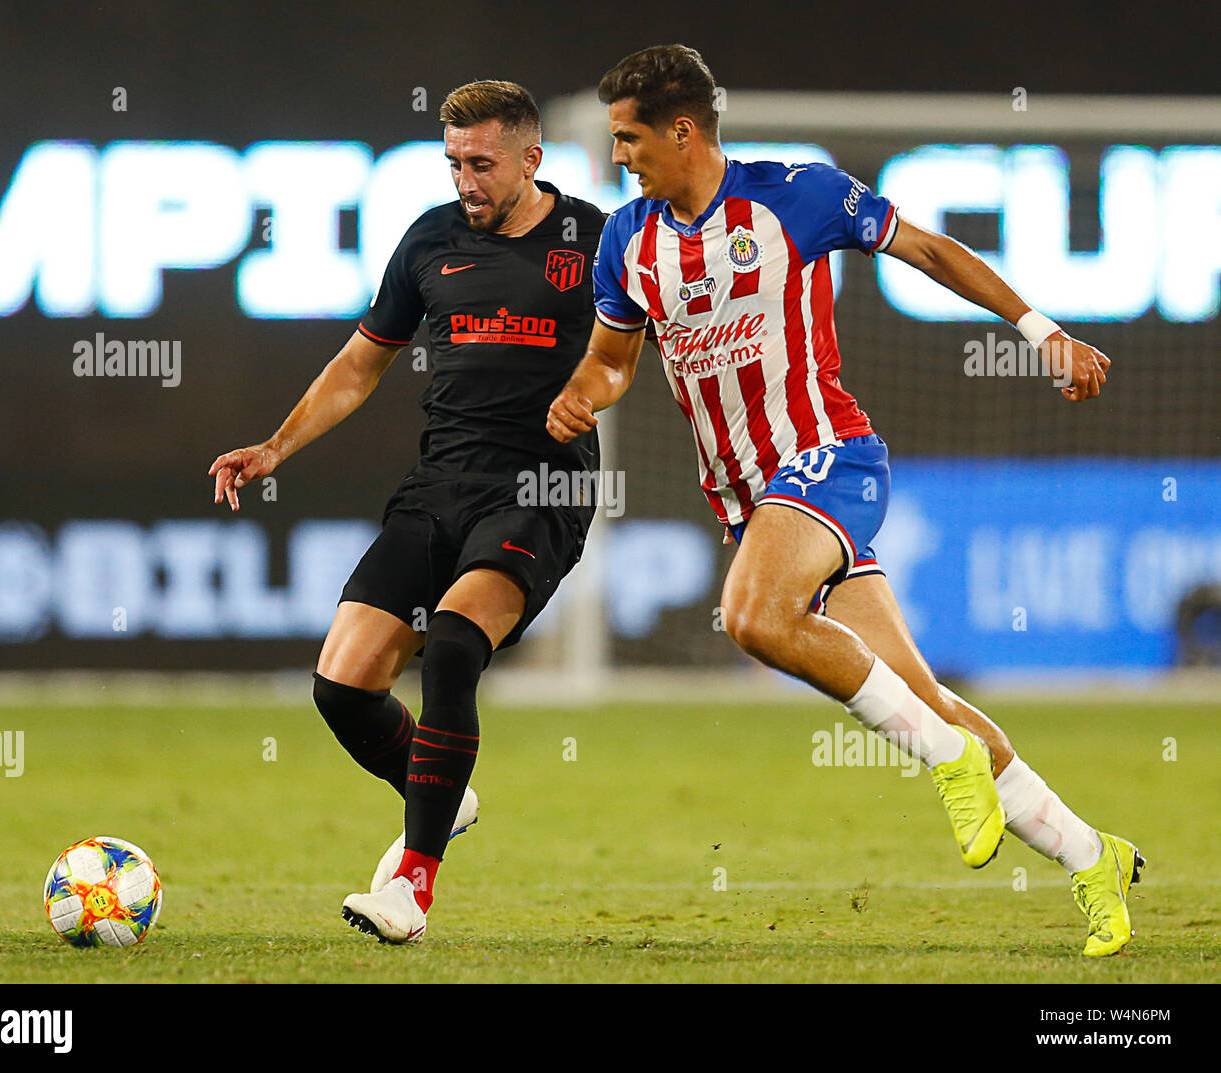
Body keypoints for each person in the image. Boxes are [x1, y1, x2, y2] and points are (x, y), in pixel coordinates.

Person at [547, 44, 1142, 957]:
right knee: (919, 693)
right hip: (756, 504)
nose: (618, 155)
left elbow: (932, 250)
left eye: (628, 137)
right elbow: (614, 360)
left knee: (750, 616)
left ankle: (950, 764)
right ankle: (1093, 856)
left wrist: (1041, 330)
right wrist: (582, 393)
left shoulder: (797, 193)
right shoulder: (628, 239)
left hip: (831, 457)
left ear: (681, 129)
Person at [210, 80, 605, 945]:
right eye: (454, 161)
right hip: (440, 484)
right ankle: (441, 793)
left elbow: (636, 347)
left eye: (483, 162)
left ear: (532, 159)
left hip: (542, 486)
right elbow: (360, 363)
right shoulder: (430, 238)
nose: (466, 178)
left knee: (456, 646)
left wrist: (596, 391)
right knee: (343, 686)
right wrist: (275, 446)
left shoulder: (594, 238)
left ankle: (412, 887)